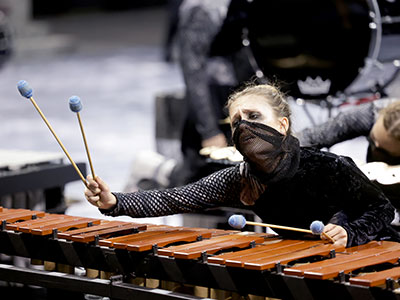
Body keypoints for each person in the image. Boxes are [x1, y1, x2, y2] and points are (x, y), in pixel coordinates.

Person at [85, 83, 398, 248]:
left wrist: (350, 232)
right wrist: (115, 202)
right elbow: (174, 198)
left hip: (373, 255)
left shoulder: (327, 166)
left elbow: (382, 210)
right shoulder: (243, 180)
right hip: (310, 265)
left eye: (254, 117)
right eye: (237, 121)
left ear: (283, 125)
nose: (244, 126)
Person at [297, 98, 400, 210]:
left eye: (383, 151)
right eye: (372, 139)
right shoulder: (373, 113)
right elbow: (311, 137)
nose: (376, 147)